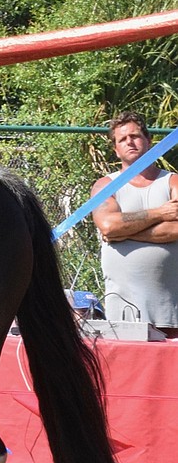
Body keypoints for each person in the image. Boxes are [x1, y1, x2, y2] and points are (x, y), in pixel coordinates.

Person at [91, 111, 178, 337]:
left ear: (148, 140)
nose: (130, 141)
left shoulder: (173, 181)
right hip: (124, 310)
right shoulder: (104, 186)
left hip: (172, 308)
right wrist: (160, 212)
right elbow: (109, 226)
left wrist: (125, 232)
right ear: (116, 149)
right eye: (122, 139)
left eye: (135, 135)